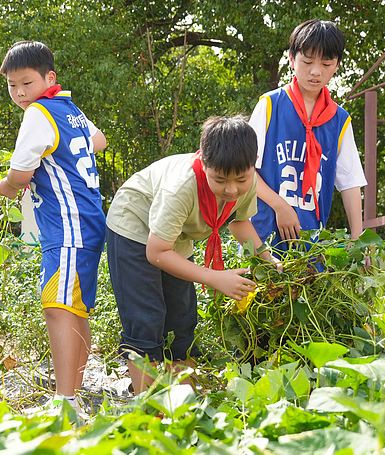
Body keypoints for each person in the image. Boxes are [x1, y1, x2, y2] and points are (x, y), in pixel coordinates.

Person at [106, 115, 275, 393]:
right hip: (135, 226)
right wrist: (214, 278)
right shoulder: (182, 186)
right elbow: (157, 251)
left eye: (240, 180)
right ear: (204, 162)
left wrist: (267, 261)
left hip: (173, 236)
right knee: (146, 317)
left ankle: (186, 401)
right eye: (220, 180)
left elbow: (239, 221)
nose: (231, 189)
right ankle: (146, 407)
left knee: (182, 318)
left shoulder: (247, 181)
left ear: (253, 163)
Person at [0, 40, 106, 414]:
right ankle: (73, 394)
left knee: (58, 307)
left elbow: (19, 174)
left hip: (69, 224)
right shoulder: (68, 107)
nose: (20, 93)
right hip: (87, 221)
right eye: (12, 85)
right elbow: (100, 141)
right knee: (74, 309)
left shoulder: (38, 114)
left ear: (49, 77)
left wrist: (1, 192)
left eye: (26, 82)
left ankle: (66, 401)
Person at [249, 19, 366, 249]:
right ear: (292, 60)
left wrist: (357, 240)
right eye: (308, 61)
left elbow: (350, 183)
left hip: (311, 244)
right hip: (264, 240)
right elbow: (243, 169)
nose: (315, 71)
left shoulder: (339, 120)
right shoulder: (270, 105)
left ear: (337, 65)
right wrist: (280, 206)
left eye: (326, 63)